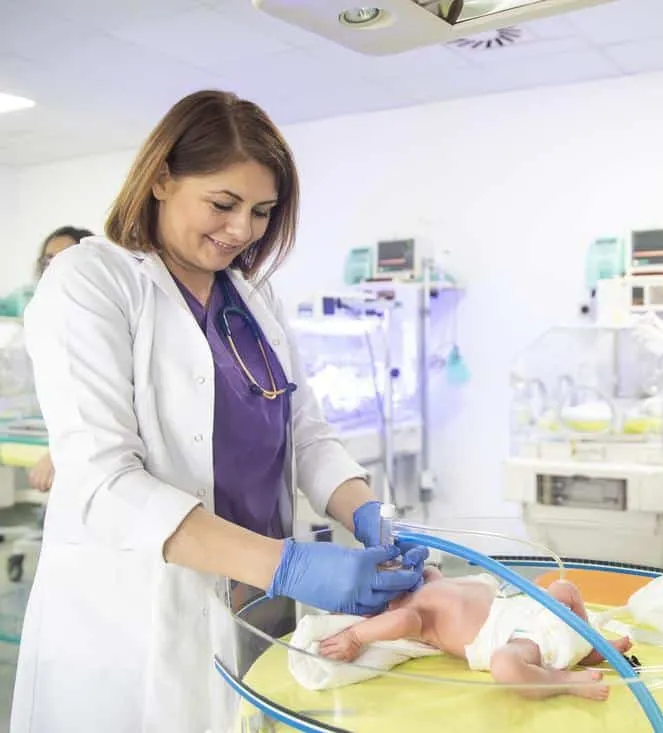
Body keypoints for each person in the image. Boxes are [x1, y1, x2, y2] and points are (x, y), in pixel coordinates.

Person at [10, 89, 428, 733]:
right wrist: (288, 564)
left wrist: (365, 511)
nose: (243, 231)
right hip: (136, 618)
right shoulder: (92, 280)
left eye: (262, 212)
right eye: (223, 204)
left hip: (254, 604)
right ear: (160, 179)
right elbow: (103, 481)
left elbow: (305, 433)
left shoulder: (252, 298)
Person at [318, 566, 634, 701]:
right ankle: (561, 681)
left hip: (525, 610)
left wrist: (422, 570)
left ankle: (594, 645)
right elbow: (399, 623)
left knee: (564, 588)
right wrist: (356, 636)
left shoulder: (426, 586)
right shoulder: (411, 615)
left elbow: (434, 576)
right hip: (514, 640)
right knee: (504, 666)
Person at [24, 226, 94, 492]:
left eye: (64, 257)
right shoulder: (41, 312)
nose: (55, 266)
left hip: (89, 456)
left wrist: (56, 453)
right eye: (48, 260)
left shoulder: (93, 317)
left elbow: (91, 399)